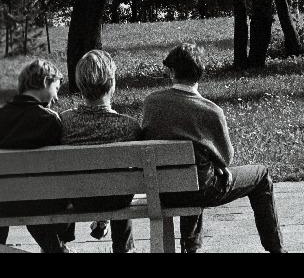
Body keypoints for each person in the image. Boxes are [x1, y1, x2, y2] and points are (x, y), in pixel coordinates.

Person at [141, 43, 285, 253]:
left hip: (163, 189)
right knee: (261, 175)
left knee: (191, 172)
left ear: (171, 72)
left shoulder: (152, 102)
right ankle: (276, 249)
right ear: (201, 73)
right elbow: (227, 158)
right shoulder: (211, 111)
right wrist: (218, 165)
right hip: (202, 190)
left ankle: (191, 248)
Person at [60, 50, 141, 253]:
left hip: (77, 199)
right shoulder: (128, 126)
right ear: (112, 84)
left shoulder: (64, 122)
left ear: (80, 85)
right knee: (121, 182)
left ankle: (62, 242)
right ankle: (123, 249)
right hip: (116, 200)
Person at [0, 59, 74, 253]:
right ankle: (57, 248)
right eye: (56, 89)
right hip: (41, 203)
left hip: (4, 201)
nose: (56, 97)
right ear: (44, 83)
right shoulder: (49, 120)